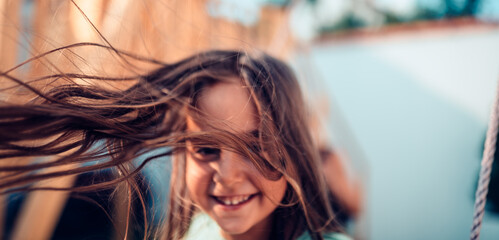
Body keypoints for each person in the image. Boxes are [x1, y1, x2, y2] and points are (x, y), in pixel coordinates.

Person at [0, 49, 351, 240]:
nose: (226, 176)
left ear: (294, 148)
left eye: (255, 147)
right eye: (205, 150)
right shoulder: (198, 231)